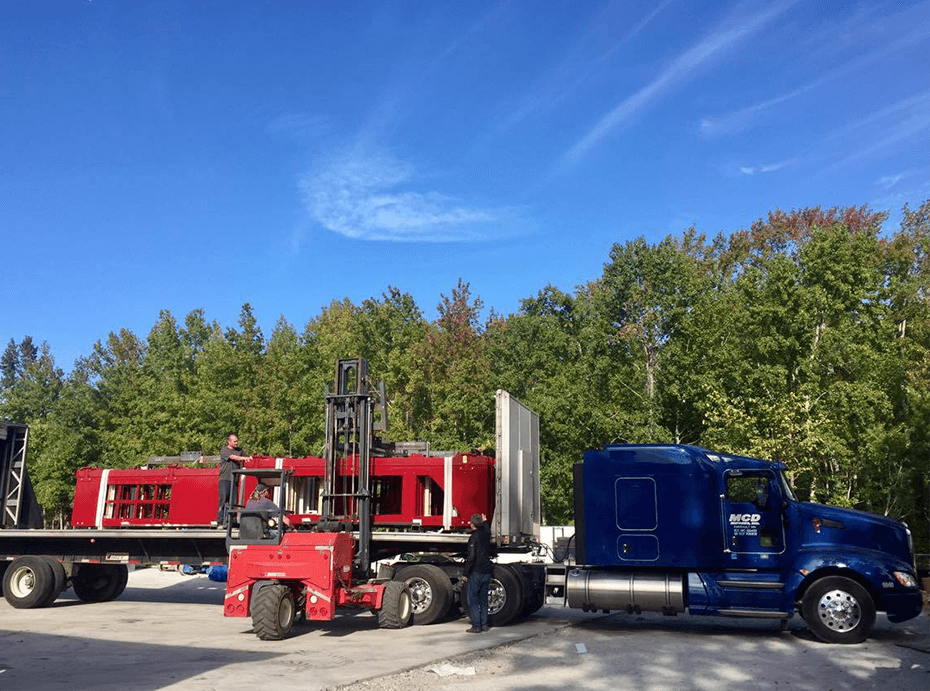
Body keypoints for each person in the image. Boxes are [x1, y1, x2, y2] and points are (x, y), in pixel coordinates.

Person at [461, 513, 493, 633]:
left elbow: (472, 556)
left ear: (472, 524)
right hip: (487, 571)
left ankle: (476, 625)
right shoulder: (486, 534)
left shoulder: (473, 537)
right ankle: (484, 625)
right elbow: (487, 529)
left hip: (476, 572)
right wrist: (485, 521)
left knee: (473, 599)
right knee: (484, 600)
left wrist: (465, 573)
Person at [214, 433, 251, 526]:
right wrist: (244, 458)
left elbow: (249, 457)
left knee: (233, 502)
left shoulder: (239, 450)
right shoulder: (224, 450)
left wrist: (250, 458)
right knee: (223, 500)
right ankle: (220, 521)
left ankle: (232, 521)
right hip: (225, 479)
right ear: (229, 442)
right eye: (234, 441)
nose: (236, 443)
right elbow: (233, 457)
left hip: (234, 480)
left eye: (237, 441)